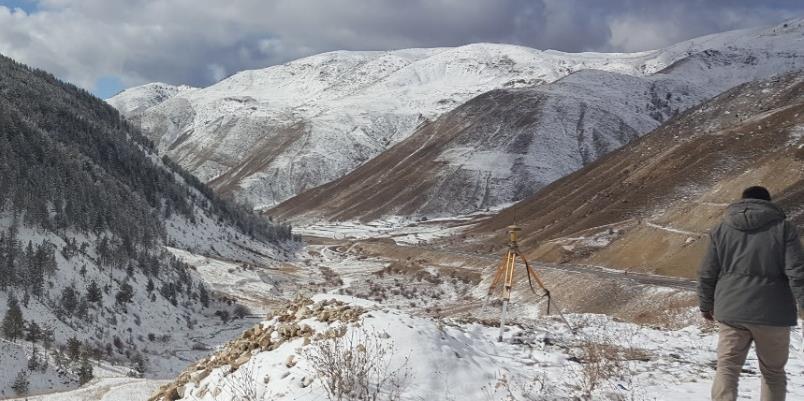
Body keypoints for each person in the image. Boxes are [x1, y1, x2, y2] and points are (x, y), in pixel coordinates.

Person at [698, 186, 804, 401]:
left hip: (731, 310)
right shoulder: (784, 229)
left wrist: (705, 304)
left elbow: (707, 272)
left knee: (727, 368)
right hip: (773, 313)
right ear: (768, 203)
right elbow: (797, 272)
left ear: (742, 202)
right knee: (773, 373)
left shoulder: (721, 229)